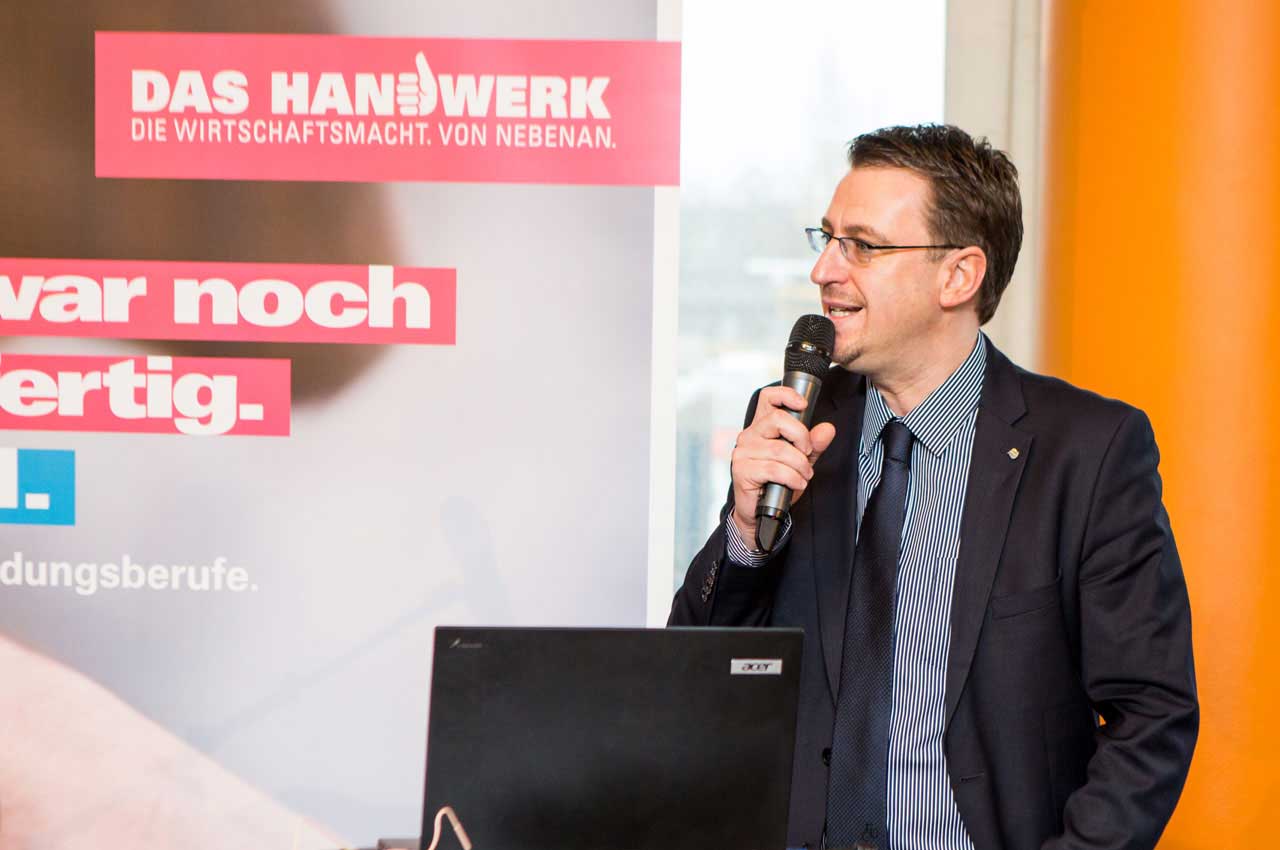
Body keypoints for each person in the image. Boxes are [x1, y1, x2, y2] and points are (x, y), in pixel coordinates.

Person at [669, 124, 1197, 850]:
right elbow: (698, 679)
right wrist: (745, 532)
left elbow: (1152, 715)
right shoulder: (793, 425)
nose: (824, 269)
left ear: (959, 276)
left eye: (862, 245)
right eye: (826, 238)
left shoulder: (1087, 451)